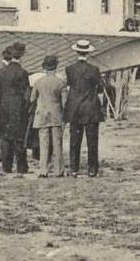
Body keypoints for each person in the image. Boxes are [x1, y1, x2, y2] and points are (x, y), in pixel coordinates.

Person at [65, 39, 104, 177]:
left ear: (76, 52)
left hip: (75, 109)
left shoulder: (69, 69)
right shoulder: (94, 70)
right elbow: (100, 89)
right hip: (91, 108)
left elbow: (70, 87)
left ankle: (74, 168)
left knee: (75, 141)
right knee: (92, 140)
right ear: (88, 53)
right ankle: (92, 169)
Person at [0, 46, 31, 174]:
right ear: (21, 56)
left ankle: (6, 166)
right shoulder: (23, 73)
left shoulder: (0, 72)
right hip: (19, 108)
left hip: (4, 107)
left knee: (5, 137)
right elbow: (27, 94)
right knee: (19, 138)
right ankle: (21, 166)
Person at [31, 55, 67, 178]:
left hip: (42, 115)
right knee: (57, 144)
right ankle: (58, 170)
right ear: (56, 67)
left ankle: (43, 170)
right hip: (56, 114)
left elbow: (32, 98)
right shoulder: (61, 83)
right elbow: (64, 103)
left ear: (44, 67)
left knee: (43, 143)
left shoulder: (38, 82)